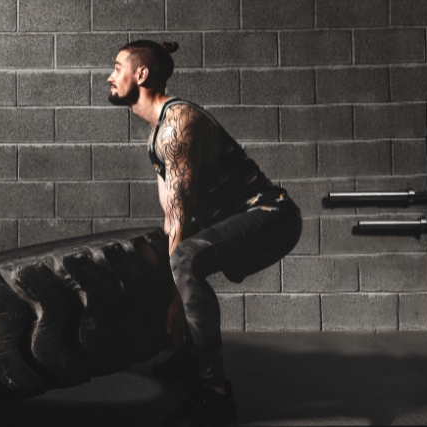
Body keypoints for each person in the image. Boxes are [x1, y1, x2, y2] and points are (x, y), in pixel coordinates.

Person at [107, 40, 303, 426]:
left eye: (117, 67)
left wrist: (179, 299)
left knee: (183, 257)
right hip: (236, 220)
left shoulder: (178, 125)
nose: (110, 76)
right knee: (162, 249)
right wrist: (171, 290)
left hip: (272, 215)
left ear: (141, 74)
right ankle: (191, 354)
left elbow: (182, 220)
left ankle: (215, 394)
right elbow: (172, 219)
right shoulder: (155, 137)